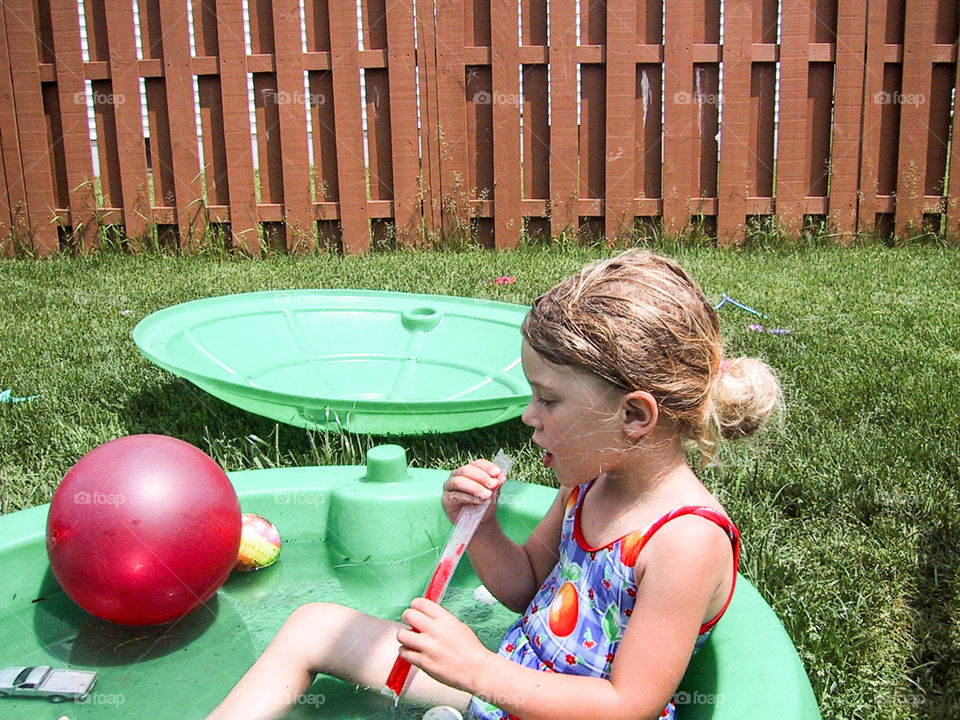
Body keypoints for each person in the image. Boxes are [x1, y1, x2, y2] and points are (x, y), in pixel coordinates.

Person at [205, 249, 781, 720]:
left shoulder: (685, 542)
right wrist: (478, 527)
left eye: (548, 399)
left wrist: (479, 670)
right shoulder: (591, 484)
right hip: (508, 684)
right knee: (316, 626)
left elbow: (628, 704)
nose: (529, 416)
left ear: (635, 416)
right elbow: (528, 586)